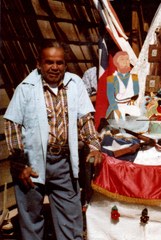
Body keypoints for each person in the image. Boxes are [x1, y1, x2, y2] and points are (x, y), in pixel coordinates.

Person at [4, 40, 103, 240]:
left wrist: (94, 146)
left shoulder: (74, 85)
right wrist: (19, 163)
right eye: (49, 62)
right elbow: (12, 125)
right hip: (31, 165)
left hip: (64, 164)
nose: (54, 67)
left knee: (71, 220)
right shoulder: (26, 88)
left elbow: (85, 119)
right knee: (31, 223)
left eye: (59, 63)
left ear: (65, 65)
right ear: (39, 63)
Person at [105, 51, 141, 121]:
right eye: (122, 60)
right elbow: (110, 97)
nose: (126, 62)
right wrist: (118, 112)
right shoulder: (111, 79)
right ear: (116, 63)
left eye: (127, 59)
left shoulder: (134, 77)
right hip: (116, 107)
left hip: (131, 107)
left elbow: (136, 93)